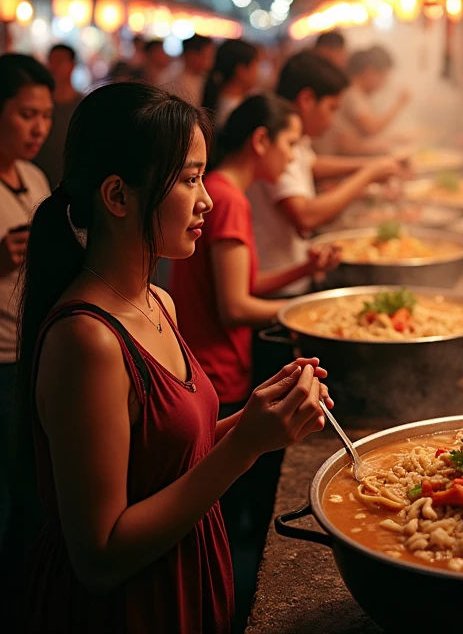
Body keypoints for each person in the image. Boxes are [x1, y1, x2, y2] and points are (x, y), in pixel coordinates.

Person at [14, 82, 330, 634]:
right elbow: (101, 557)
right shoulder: (87, 340)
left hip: (186, 571)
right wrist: (249, 445)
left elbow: (173, 455)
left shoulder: (159, 300)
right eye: (188, 179)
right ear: (117, 197)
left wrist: (260, 416)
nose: (206, 199)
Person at [171, 93, 340, 408]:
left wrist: (306, 269)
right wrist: (308, 312)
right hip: (216, 371)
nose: (292, 159)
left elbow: (244, 285)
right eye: (290, 144)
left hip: (209, 366)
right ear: (261, 140)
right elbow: (234, 307)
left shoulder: (223, 190)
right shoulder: (228, 198)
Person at [249, 52, 403, 294]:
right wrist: (368, 174)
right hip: (276, 285)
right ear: (307, 99)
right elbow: (305, 216)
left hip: (289, 276)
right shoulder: (277, 141)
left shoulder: (292, 136)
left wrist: (369, 166)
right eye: (331, 108)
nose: (332, 121)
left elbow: (312, 164)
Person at [0, 55, 53, 549]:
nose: (38, 127)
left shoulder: (35, 179)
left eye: (46, 116)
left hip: (32, 353)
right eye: (25, 114)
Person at [325, 46, 410, 156]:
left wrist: (394, 138)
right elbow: (371, 128)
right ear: (369, 72)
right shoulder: (351, 94)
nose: (384, 82)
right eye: (383, 76)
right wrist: (400, 103)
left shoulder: (357, 94)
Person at [35, 45, 83, 189]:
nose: (54, 67)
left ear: (72, 65)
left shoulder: (82, 105)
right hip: (39, 179)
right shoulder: (39, 105)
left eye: (60, 61)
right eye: (51, 61)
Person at [202, 39, 260, 125]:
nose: (257, 72)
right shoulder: (234, 109)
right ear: (241, 71)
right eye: (255, 66)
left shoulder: (223, 99)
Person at [165, 34, 215, 106]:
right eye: (207, 57)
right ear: (191, 55)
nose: (210, 62)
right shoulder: (177, 83)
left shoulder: (205, 79)